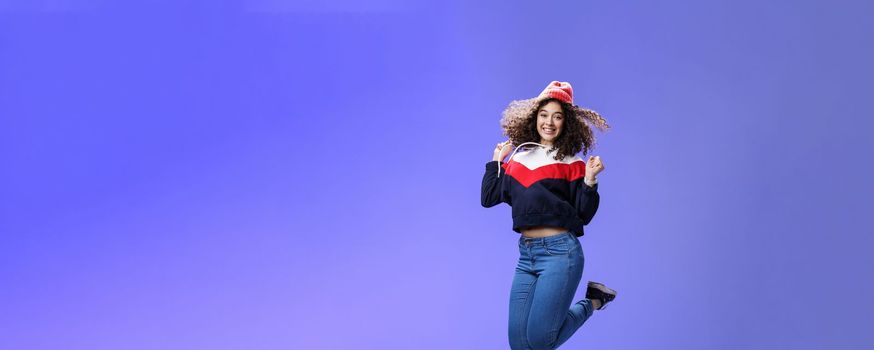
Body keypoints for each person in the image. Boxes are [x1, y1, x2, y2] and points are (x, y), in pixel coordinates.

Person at [481, 81, 617, 349]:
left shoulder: (573, 163)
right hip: (527, 255)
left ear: (567, 123)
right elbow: (489, 197)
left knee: (541, 340)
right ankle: (595, 299)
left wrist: (589, 181)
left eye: (557, 116)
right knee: (519, 344)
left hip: (561, 254)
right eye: (544, 115)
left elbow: (584, 214)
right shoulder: (519, 158)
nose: (549, 122)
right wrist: (497, 160)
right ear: (534, 118)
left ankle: (594, 300)